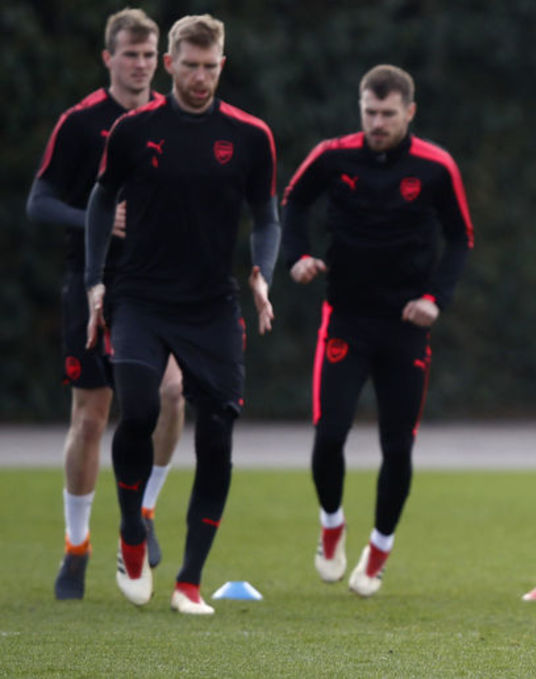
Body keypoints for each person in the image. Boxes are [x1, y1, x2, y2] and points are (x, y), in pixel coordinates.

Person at [83, 14, 279, 615]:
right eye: (189, 66)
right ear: (170, 64)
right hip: (139, 297)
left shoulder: (250, 136)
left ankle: (189, 582)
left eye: (210, 67)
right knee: (140, 410)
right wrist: (94, 281)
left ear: (223, 65)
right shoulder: (134, 130)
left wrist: (262, 273)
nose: (199, 77)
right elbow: (101, 199)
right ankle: (131, 532)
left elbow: (267, 216)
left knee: (217, 435)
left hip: (211, 304)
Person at [280, 65, 473, 597]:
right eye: (370, 112)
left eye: (388, 114)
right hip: (345, 317)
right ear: (360, 109)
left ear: (409, 112)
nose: (378, 123)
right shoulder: (332, 156)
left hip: (405, 326)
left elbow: (460, 238)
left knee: (398, 446)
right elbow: (293, 201)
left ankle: (379, 548)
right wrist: (296, 256)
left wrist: (435, 299)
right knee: (329, 434)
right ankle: (331, 524)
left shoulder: (435, 166)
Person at [26, 7, 184, 601]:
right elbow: (39, 201)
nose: (140, 65)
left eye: (148, 55)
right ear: (108, 58)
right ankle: (76, 548)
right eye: (129, 54)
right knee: (91, 418)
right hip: (92, 282)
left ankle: (144, 512)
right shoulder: (80, 123)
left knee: (172, 394)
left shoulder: (176, 119)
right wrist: (96, 219)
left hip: (158, 284)